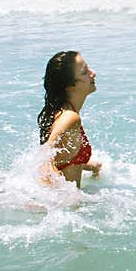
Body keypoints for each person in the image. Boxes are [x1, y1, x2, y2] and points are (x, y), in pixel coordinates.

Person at [37, 51, 101, 187]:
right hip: (67, 206)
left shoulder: (64, 111)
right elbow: (44, 156)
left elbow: (62, 157)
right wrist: (63, 199)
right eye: (84, 72)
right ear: (70, 86)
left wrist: (89, 165)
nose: (93, 73)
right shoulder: (70, 117)